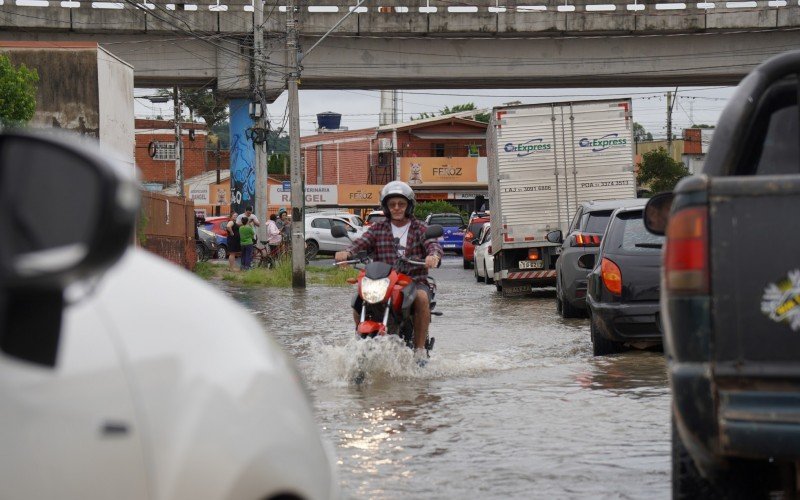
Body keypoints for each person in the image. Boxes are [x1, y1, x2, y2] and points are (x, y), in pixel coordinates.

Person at [335, 181, 442, 364]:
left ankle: (419, 351)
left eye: (401, 204)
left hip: (413, 280)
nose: (397, 208)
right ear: (386, 207)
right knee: (358, 299)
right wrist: (347, 252)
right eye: (392, 204)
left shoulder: (420, 228)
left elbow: (433, 245)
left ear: (409, 205)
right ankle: (359, 342)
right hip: (383, 280)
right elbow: (360, 243)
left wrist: (433, 256)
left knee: (422, 298)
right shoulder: (377, 229)